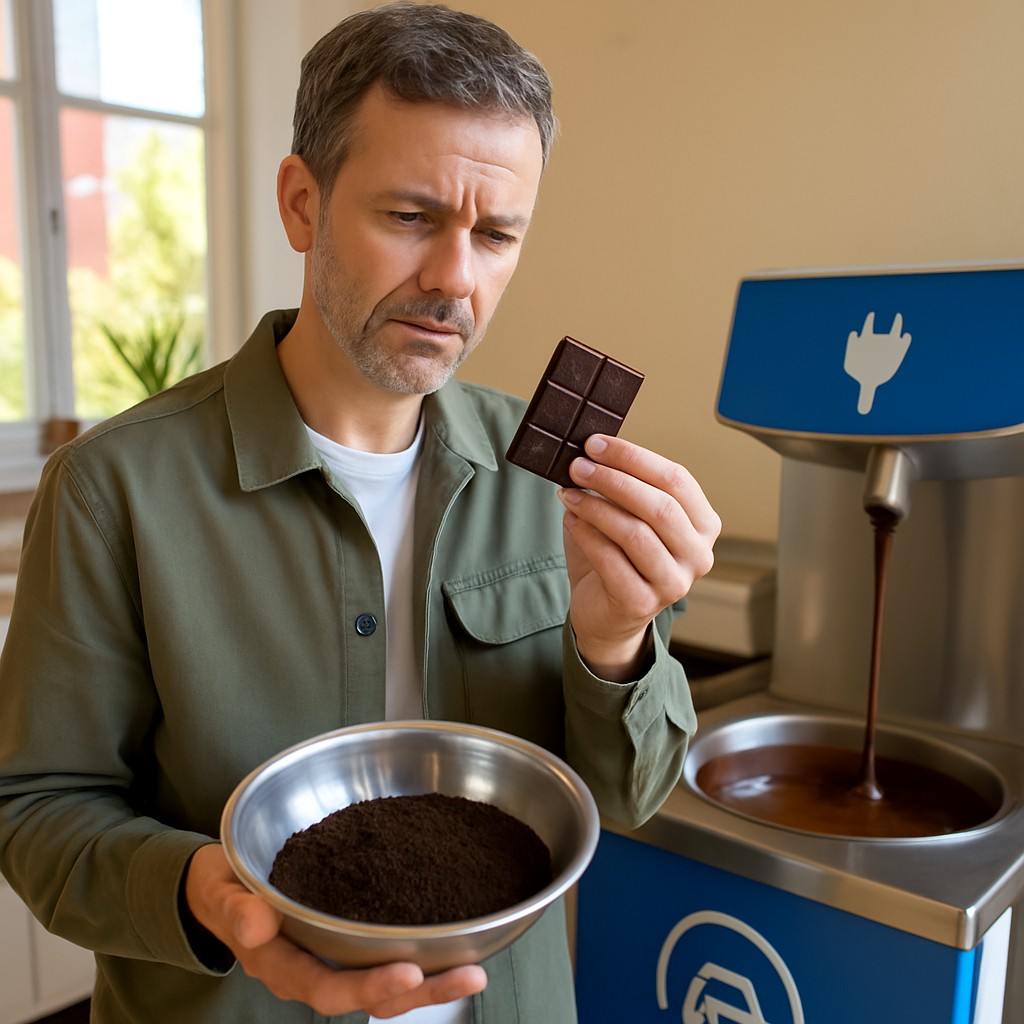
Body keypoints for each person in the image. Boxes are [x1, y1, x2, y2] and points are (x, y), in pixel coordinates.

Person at [0, 4, 720, 1023]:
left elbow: (622, 799)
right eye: (411, 216)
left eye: (496, 234)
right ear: (302, 203)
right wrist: (206, 895)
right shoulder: (112, 489)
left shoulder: (557, 485)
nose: (455, 279)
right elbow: (36, 814)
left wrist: (615, 644)